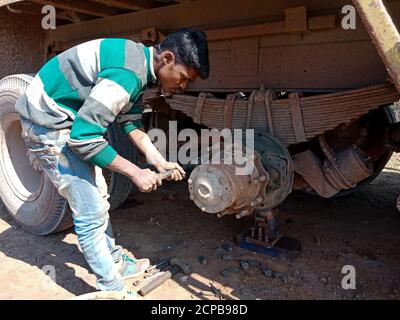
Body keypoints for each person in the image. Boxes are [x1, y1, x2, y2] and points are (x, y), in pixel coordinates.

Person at [15, 28, 209, 291]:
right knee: (89, 209)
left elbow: (130, 121)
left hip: (66, 117)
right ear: (167, 58)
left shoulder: (141, 64)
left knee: (98, 195)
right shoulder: (128, 75)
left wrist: (158, 160)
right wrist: (136, 172)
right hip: (46, 121)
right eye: (183, 77)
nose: (183, 86)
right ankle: (112, 290)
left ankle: (115, 260)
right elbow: (83, 139)